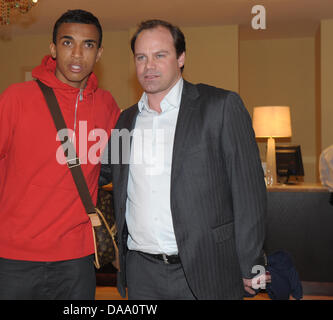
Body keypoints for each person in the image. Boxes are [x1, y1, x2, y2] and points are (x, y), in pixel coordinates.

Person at [0, 9, 120, 300]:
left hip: (77, 263)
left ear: (100, 52)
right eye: (68, 43)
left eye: (88, 45)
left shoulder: (106, 105)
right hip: (14, 262)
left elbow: (127, 171)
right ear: (53, 48)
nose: (78, 54)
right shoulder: (16, 98)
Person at [100, 19, 267, 299]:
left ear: (181, 58)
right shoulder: (125, 120)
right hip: (142, 274)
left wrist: (252, 264)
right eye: (141, 57)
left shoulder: (220, 107)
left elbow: (250, 193)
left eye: (159, 55)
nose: (148, 66)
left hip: (207, 268)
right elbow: (104, 172)